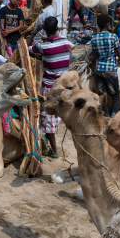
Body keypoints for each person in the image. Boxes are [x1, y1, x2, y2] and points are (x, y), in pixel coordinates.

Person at [28, 17, 71, 158]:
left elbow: (26, 47)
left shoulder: (43, 46)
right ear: (57, 28)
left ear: (45, 29)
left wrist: (35, 32)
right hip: (65, 86)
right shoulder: (65, 41)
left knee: (48, 118)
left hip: (50, 87)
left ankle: (54, 151)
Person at [91, 14, 120, 118]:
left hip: (99, 69)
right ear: (108, 24)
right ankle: (114, 115)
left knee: (103, 94)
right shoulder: (113, 37)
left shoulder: (94, 38)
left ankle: (106, 115)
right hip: (110, 69)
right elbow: (119, 54)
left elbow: (95, 56)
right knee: (115, 94)